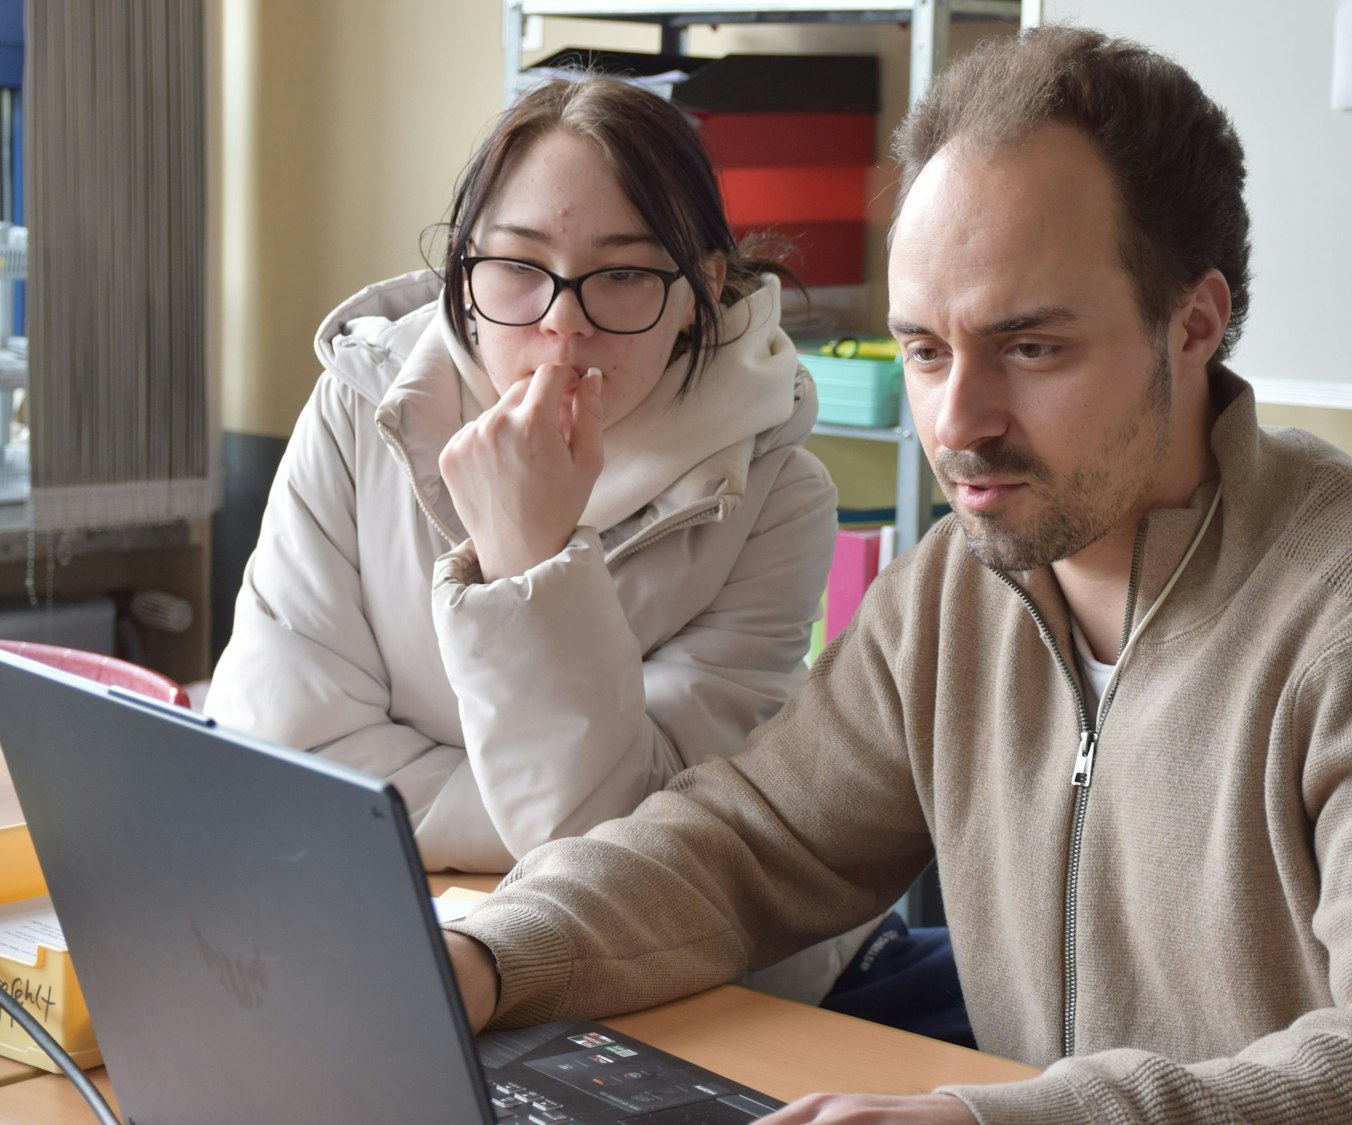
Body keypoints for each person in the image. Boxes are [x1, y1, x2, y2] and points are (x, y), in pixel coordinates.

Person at [442, 27, 1352, 1124]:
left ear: (1193, 322)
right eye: (923, 350)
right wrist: (489, 957)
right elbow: (744, 844)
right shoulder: (953, 594)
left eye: (1030, 347)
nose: (957, 422)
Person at [205, 75, 874, 1000]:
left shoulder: (775, 498)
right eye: (518, 265)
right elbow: (279, 763)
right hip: (378, 934)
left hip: (678, 991)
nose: (564, 323)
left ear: (701, 291)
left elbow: (641, 864)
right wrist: (526, 812)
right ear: (464, 274)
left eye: (625, 274)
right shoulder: (363, 411)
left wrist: (532, 555)